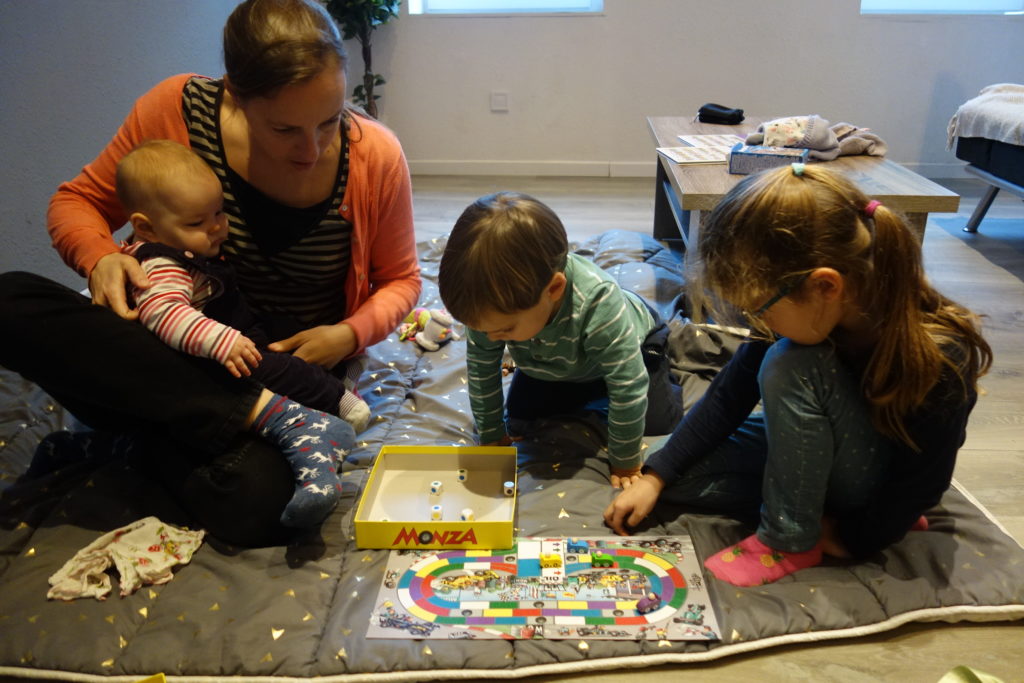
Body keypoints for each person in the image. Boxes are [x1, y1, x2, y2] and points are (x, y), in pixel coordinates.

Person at [0, 0, 420, 546]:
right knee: (11, 302)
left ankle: (141, 436)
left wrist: (349, 333)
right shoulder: (175, 111)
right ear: (234, 95)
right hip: (158, 353)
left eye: (330, 120)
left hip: (267, 371)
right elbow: (76, 202)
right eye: (285, 128)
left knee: (262, 507)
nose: (312, 149)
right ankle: (234, 420)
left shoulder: (374, 156)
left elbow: (402, 279)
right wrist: (100, 257)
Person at [603, 163, 991, 587]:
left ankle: (788, 539)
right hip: (830, 452)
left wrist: (860, 536)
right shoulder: (810, 307)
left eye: (759, 309)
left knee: (790, 364)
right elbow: (729, 396)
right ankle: (801, 505)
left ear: (826, 286)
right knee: (677, 473)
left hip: (877, 478)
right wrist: (657, 475)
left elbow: (926, 479)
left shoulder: (938, 353)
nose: (756, 321)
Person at [115, 139, 370, 432]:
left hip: (239, 329)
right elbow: (163, 313)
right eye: (196, 223)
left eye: (219, 212)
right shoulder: (159, 265)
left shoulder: (180, 241)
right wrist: (222, 342)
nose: (217, 227)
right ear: (146, 228)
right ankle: (339, 403)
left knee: (289, 329)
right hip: (211, 359)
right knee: (281, 371)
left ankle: (339, 372)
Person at [437, 192, 682, 489]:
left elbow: (628, 385)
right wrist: (492, 434)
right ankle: (586, 389)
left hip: (638, 346)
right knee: (521, 420)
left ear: (553, 289)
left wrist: (625, 460)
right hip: (557, 360)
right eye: (482, 329)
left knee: (657, 422)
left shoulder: (599, 303)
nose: (490, 338)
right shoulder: (490, 310)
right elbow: (481, 368)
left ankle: (659, 371)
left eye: (505, 329)